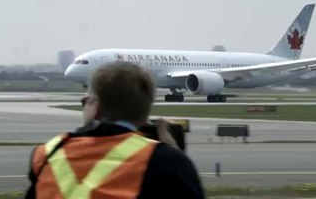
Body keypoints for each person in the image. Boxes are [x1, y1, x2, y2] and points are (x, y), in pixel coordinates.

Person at [25, 61, 205, 199]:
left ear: (94, 106)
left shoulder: (46, 155)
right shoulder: (165, 162)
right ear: (145, 111)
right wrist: (175, 158)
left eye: (86, 101)